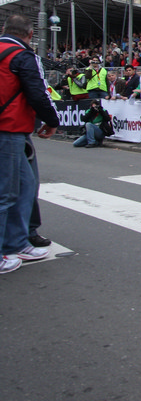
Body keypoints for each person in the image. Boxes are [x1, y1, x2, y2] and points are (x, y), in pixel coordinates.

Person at [0, 14, 59, 274]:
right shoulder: (22, 56)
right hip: (9, 128)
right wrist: (52, 121)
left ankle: (17, 242)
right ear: (30, 34)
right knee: (6, 193)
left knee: (25, 186)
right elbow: (37, 92)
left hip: (12, 130)